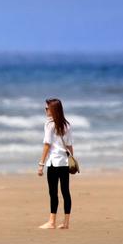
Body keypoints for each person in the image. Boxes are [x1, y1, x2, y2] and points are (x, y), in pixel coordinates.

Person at [37, 98, 74, 229]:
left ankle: (52, 221)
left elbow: (47, 144)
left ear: (53, 110)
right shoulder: (67, 124)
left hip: (53, 162)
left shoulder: (49, 124)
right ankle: (66, 223)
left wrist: (41, 163)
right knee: (65, 192)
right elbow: (69, 145)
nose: (45, 110)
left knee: (53, 192)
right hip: (64, 162)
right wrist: (72, 160)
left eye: (47, 108)